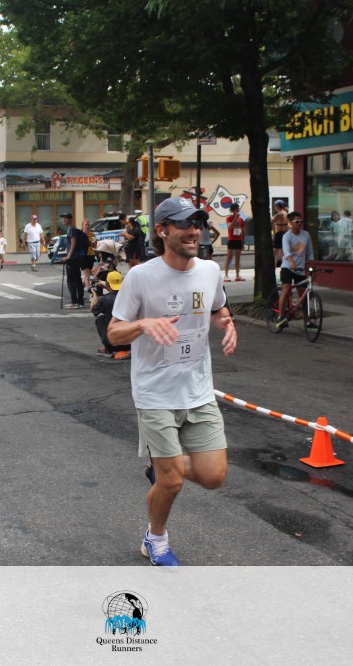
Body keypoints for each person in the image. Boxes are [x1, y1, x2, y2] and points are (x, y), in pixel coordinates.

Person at [107, 196, 238, 568]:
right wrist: (143, 324)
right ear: (162, 231)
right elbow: (114, 333)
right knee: (172, 481)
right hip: (155, 394)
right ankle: (156, 538)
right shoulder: (141, 277)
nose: (193, 231)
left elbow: (217, 308)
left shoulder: (209, 271)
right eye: (183, 224)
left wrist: (227, 324)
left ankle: (165, 466)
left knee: (214, 476)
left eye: (197, 223)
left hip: (198, 390)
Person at [276, 212, 315, 327]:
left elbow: (310, 252)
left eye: (301, 221)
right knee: (286, 288)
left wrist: (312, 264)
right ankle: (280, 317)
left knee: (304, 295)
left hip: (300, 269)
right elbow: (286, 252)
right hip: (288, 267)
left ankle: (307, 321)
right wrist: (292, 262)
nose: (299, 224)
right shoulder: (286, 236)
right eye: (296, 222)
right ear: (290, 223)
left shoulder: (306, 235)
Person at [91, 270, 130, 360]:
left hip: (114, 343)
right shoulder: (129, 296)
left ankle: (108, 349)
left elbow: (93, 309)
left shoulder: (103, 299)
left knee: (100, 318)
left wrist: (95, 294)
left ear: (108, 284)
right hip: (131, 342)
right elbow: (116, 292)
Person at [59, 212, 87, 307]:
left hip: (73, 259)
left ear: (70, 219)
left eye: (65, 218)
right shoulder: (71, 229)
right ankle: (80, 302)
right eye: (63, 218)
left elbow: (73, 244)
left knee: (71, 280)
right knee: (77, 280)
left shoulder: (71, 229)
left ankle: (74, 301)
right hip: (76, 258)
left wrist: (68, 257)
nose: (63, 219)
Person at [223, 203, 246, 282]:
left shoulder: (241, 219)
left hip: (238, 240)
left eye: (238, 209)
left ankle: (237, 275)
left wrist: (243, 241)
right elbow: (230, 227)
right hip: (231, 239)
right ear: (232, 210)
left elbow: (243, 230)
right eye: (236, 209)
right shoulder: (229, 218)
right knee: (229, 257)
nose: (238, 210)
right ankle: (226, 275)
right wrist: (235, 217)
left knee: (237, 258)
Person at [270, 200, 289, 267]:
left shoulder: (279, 214)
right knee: (281, 252)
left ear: (277, 206)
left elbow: (271, 221)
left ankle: (274, 267)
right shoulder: (285, 213)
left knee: (276, 253)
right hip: (284, 233)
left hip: (279, 233)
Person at [81, 220, 97, 289]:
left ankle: (80, 290)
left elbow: (94, 246)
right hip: (83, 256)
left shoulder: (92, 234)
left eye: (88, 225)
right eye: (86, 225)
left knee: (87, 276)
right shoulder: (80, 235)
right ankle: (90, 291)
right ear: (82, 226)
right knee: (87, 276)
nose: (87, 226)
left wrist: (94, 242)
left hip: (91, 255)